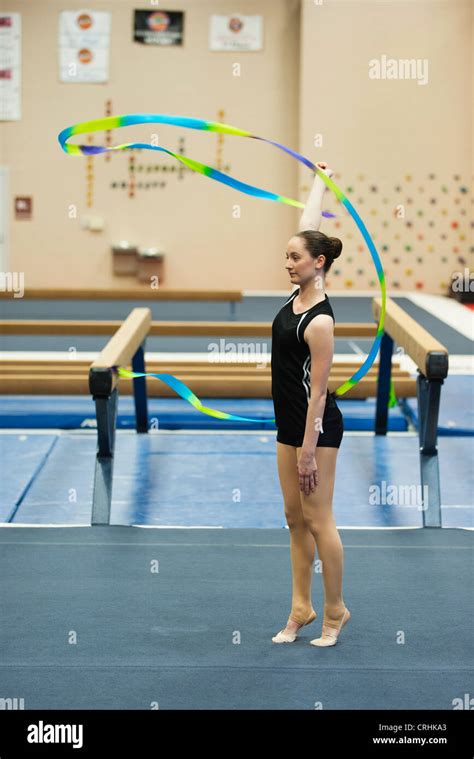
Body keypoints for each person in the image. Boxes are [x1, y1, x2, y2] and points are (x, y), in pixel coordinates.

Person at [271, 162, 350, 647]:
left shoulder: (319, 320)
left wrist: (306, 449)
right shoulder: (295, 296)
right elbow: (309, 224)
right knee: (293, 516)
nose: (287, 262)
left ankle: (336, 611)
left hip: (316, 429)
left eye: (294, 257)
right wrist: (320, 178)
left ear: (317, 263)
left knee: (319, 519)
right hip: (287, 423)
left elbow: (318, 393)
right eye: (287, 255)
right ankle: (301, 605)